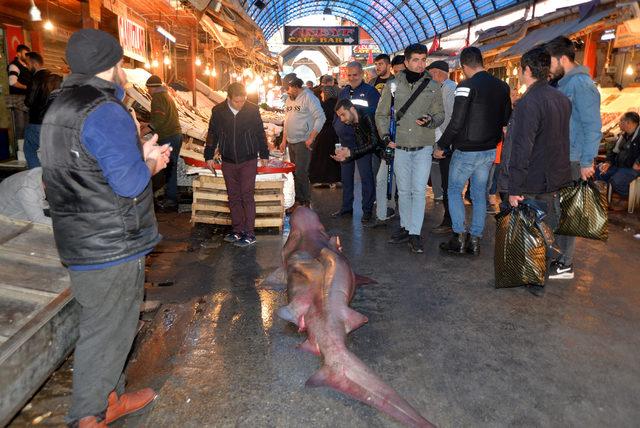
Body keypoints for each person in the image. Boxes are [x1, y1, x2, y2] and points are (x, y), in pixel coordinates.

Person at [40, 29, 171, 428]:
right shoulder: (105, 110)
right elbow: (129, 183)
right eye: (122, 65)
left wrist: (136, 151)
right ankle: (89, 415)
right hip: (111, 242)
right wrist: (150, 162)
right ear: (112, 66)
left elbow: (83, 170)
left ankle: (111, 397)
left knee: (107, 324)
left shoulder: (58, 107)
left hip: (78, 237)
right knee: (106, 330)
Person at [435, 47, 511, 256]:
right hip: (488, 150)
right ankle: (475, 240)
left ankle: (458, 237)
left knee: (454, 190)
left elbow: (456, 121)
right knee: (479, 195)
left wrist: (442, 145)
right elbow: (506, 119)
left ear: (464, 66)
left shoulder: (465, 86)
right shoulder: (503, 87)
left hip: (466, 150)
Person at [498, 46, 572, 245]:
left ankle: (529, 273)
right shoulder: (562, 99)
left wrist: (513, 188)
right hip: (554, 177)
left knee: (526, 237)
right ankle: (541, 269)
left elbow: (522, 148)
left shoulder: (528, 103)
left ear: (528, 70)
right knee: (545, 229)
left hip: (531, 180)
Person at [376, 43, 444, 253]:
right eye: (415, 59)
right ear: (406, 62)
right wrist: (386, 136)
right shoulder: (393, 85)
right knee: (404, 191)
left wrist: (430, 119)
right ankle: (406, 227)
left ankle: (415, 232)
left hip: (423, 147)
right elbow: (381, 114)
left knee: (418, 191)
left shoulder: (433, 86)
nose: (420, 63)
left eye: (423, 60)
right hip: (400, 147)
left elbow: (440, 114)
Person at [545, 36, 602, 280]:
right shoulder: (563, 84)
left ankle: (566, 264)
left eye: (550, 62)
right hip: (562, 157)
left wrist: (588, 162)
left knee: (568, 212)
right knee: (558, 210)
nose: (548, 67)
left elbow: (592, 126)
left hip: (575, 159)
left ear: (561, 59)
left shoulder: (581, 84)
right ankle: (559, 256)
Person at [204, 83, 269, 247]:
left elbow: (260, 133)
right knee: (233, 196)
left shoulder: (252, 110)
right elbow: (212, 134)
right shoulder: (218, 111)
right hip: (228, 160)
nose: (240, 105)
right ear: (229, 98)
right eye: (236, 102)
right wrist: (208, 155)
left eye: (243, 101)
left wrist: (265, 154)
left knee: (247, 195)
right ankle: (237, 229)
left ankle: (249, 233)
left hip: (248, 159)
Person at [332, 61, 380, 221]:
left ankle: (367, 210)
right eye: (349, 75)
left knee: (366, 177)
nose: (352, 78)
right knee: (346, 178)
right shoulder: (343, 92)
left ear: (362, 74)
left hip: (362, 143)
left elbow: (375, 116)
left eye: (355, 75)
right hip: (345, 141)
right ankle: (346, 208)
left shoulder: (371, 92)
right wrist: (336, 126)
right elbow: (337, 113)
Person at [281, 73, 326, 210]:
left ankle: (305, 202)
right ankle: (298, 201)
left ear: (295, 86)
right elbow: (287, 119)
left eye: (287, 88)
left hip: (303, 141)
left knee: (301, 172)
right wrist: (284, 140)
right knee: (295, 173)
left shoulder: (309, 97)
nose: (286, 91)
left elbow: (321, 117)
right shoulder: (289, 99)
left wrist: (311, 137)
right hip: (291, 141)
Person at [426, 60, 457, 235]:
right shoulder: (443, 88)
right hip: (444, 141)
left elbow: (451, 118)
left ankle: (450, 221)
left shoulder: (449, 89)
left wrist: (443, 144)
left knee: (448, 184)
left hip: (448, 144)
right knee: (447, 184)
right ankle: (450, 220)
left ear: (437, 73)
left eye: (430, 75)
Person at [145, 75, 183, 211]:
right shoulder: (166, 95)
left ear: (151, 87)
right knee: (170, 169)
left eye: (148, 88)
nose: (148, 91)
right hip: (175, 135)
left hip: (169, 137)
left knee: (169, 170)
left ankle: (171, 200)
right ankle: (171, 197)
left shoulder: (158, 98)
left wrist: (143, 132)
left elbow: (158, 120)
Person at [24, 52, 61, 169]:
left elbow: (29, 101)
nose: (27, 66)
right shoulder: (56, 78)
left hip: (37, 122)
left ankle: (37, 178)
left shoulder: (35, 79)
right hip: (54, 123)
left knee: (29, 149)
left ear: (34, 63)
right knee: (53, 152)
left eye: (27, 63)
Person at [596, 112, 640, 197]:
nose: (619, 123)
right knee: (599, 171)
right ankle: (605, 199)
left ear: (628, 123)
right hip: (619, 166)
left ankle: (629, 201)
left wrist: (638, 162)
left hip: (633, 168)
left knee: (616, 181)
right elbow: (613, 151)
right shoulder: (623, 135)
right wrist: (608, 163)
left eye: (621, 121)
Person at [332, 98, 383, 164]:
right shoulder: (354, 123)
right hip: (384, 154)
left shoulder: (367, 115)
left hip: (394, 150)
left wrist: (350, 152)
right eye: (339, 116)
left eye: (343, 114)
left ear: (352, 109)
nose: (341, 119)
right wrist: (345, 157)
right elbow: (362, 147)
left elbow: (374, 142)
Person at [309, 85, 342, 187]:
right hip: (336, 134)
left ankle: (321, 179)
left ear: (327, 93)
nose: (321, 95)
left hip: (323, 134)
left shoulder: (322, 105)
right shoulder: (338, 104)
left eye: (323, 93)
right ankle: (335, 179)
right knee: (335, 156)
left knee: (321, 157)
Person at [7, 44, 32, 140]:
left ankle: (26, 146)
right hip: (17, 97)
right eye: (25, 54)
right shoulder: (14, 65)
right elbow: (12, 82)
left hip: (26, 98)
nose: (27, 56)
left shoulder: (27, 66)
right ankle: (20, 147)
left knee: (28, 124)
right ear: (18, 54)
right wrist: (27, 87)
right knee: (20, 125)